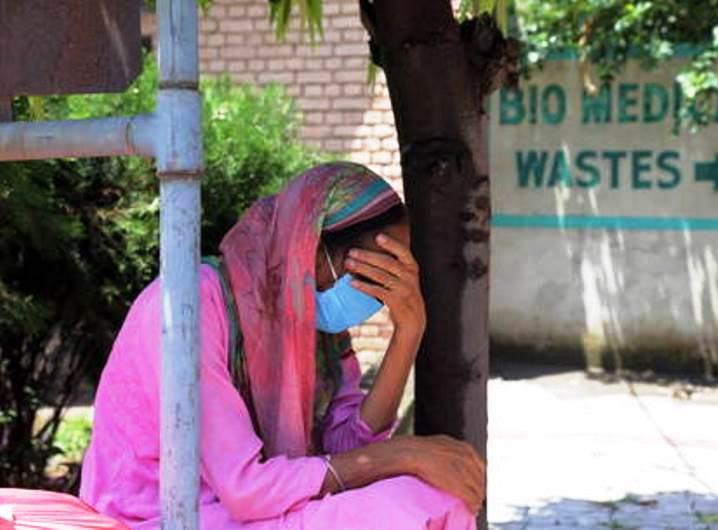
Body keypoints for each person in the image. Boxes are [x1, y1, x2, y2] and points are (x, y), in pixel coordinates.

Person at [80, 162, 486, 530]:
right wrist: (404, 455)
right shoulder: (190, 306)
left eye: (393, 278)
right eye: (374, 273)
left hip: (254, 510)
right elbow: (246, 489)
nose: (379, 295)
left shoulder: (308, 323)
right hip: (167, 517)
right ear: (306, 248)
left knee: (437, 499)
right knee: (403, 507)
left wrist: (408, 333)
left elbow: (346, 450)